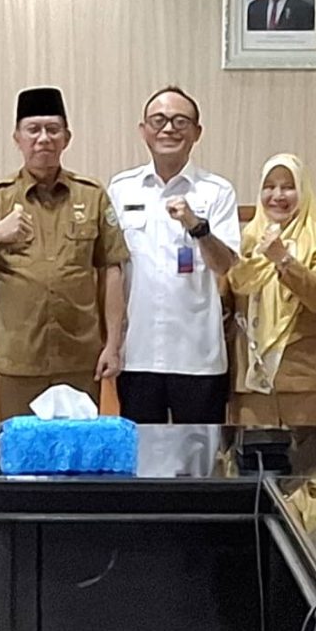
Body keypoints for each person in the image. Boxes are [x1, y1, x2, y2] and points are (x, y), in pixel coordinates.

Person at [0, 87, 128, 418]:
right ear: (17, 138)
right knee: (21, 447)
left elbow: (112, 270)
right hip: (19, 360)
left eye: (53, 129)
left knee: (78, 446)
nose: (43, 138)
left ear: (67, 138)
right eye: (33, 129)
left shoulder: (92, 195)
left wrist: (113, 345)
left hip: (80, 358)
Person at [107, 86, 242, 423]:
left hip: (198, 356)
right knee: (142, 452)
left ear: (197, 132)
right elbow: (111, 271)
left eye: (180, 121)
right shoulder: (121, 188)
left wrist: (197, 226)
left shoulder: (217, 191)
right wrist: (111, 343)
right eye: (159, 120)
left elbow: (224, 265)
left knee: (201, 453)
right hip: (137, 353)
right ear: (144, 131)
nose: (169, 129)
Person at [229, 154, 316, 426]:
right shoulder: (246, 240)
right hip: (250, 382)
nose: (277, 195)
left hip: (303, 379)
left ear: (303, 191)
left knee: (308, 453)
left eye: (288, 187)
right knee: (250, 452)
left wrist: (284, 260)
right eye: (269, 186)